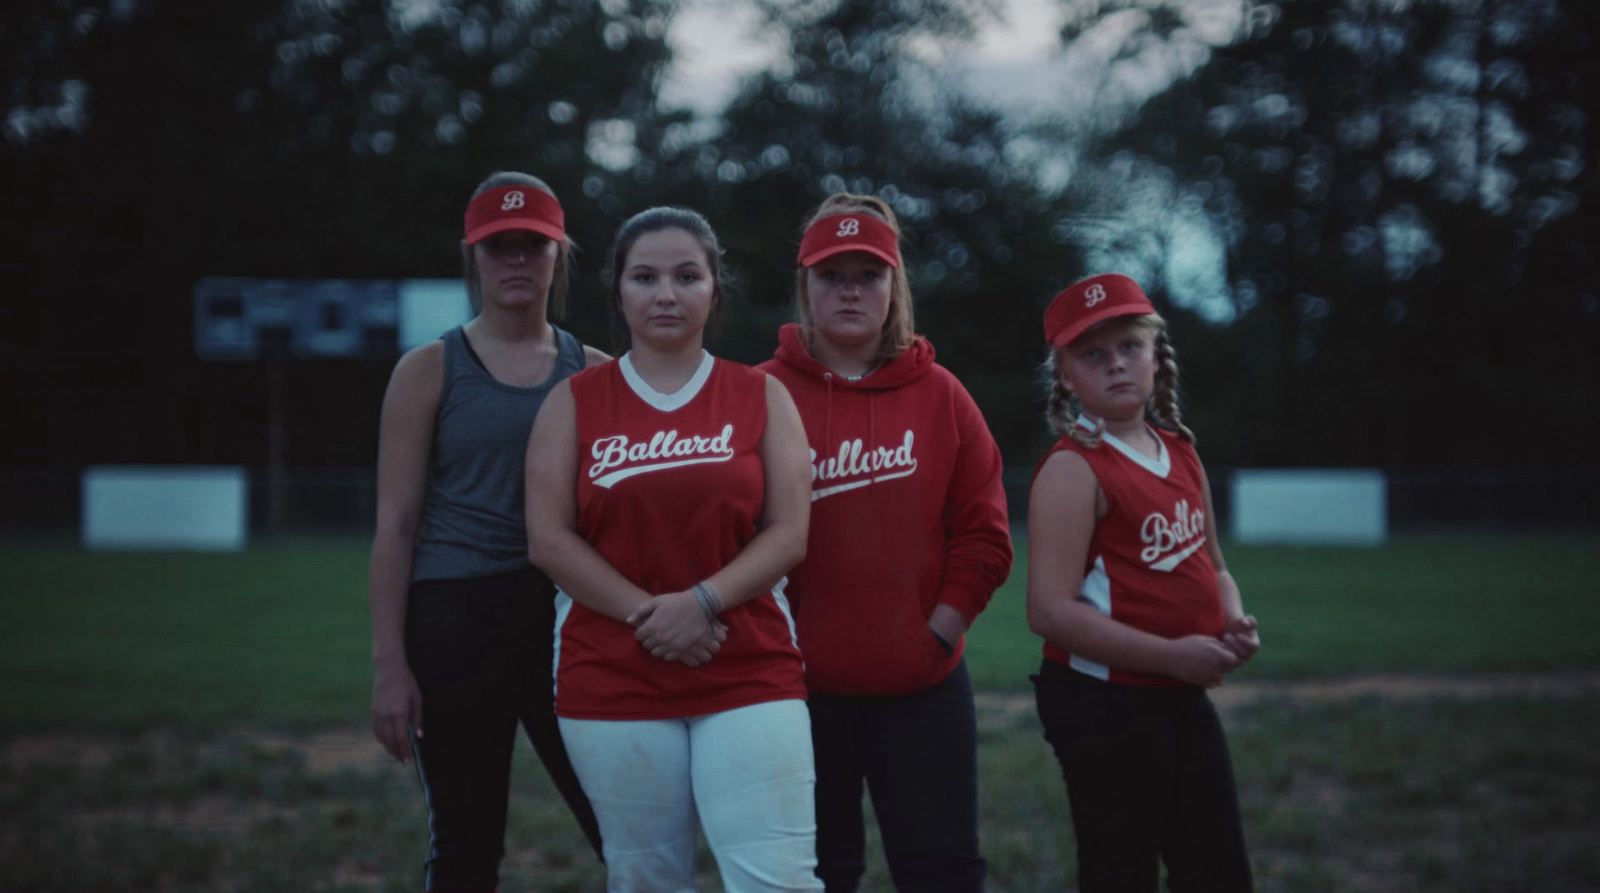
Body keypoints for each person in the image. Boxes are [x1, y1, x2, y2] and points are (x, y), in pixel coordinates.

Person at [523, 206, 823, 892]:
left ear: (715, 290)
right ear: (619, 292)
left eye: (687, 275)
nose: (666, 293)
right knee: (647, 881)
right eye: (645, 276)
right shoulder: (574, 401)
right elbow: (549, 539)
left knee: (778, 881)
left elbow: (790, 530)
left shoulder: (761, 394)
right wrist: (653, 616)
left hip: (747, 665)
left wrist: (702, 602)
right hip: (613, 673)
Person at [757, 194, 1014, 893]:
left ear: (894, 285)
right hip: (791, 694)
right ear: (803, 285)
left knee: (942, 872)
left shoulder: (942, 395)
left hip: (922, 687)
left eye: (867, 274)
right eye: (829, 272)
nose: (848, 288)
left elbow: (986, 533)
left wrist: (939, 628)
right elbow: (725, 538)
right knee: (815, 875)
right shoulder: (757, 394)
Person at [368, 171, 606, 891]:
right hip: (457, 617)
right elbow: (395, 524)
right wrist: (390, 666)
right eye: (498, 246)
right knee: (468, 843)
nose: (516, 261)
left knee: (625, 823)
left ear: (559, 254)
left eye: (532, 246)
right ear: (472, 254)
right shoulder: (429, 370)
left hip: (566, 617)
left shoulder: (594, 372)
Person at [1025, 272, 1260, 892]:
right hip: (1106, 700)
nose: (1116, 365)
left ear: (1157, 356)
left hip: (1178, 688)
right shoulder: (1073, 469)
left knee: (1217, 869)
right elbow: (1050, 613)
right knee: (1121, 874)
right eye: (1091, 354)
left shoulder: (1180, 450)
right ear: (1066, 375)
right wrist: (1171, 657)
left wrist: (1232, 621)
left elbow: (1214, 565)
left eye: (1129, 345)